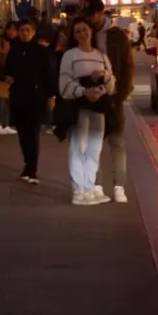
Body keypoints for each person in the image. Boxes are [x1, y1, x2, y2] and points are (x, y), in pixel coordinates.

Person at [56, 19, 112, 206]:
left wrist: (104, 78)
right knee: (78, 147)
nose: (82, 34)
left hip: (98, 107)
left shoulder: (101, 56)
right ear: (73, 35)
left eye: (85, 30)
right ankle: (78, 190)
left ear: (91, 32)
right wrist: (83, 91)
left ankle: (89, 187)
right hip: (78, 107)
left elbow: (112, 84)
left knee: (94, 149)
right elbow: (63, 84)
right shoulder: (70, 55)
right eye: (77, 31)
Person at [85, 0, 135, 203]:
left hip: (113, 96)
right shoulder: (83, 33)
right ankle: (96, 184)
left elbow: (128, 65)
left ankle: (119, 187)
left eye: (92, 14)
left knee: (117, 142)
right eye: (87, 14)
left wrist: (122, 93)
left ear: (101, 12)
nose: (89, 18)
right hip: (91, 96)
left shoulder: (117, 36)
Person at [5, 20, 55, 183]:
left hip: (36, 96)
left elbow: (49, 74)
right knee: (22, 132)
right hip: (18, 96)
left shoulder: (42, 51)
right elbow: (7, 69)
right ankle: (27, 163)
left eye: (27, 30)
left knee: (33, 133)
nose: (24, 33)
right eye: (21, 30)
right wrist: (7, 77)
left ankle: (32, 168)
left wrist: (51, 96)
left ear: (33, 32)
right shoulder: (14, 50)